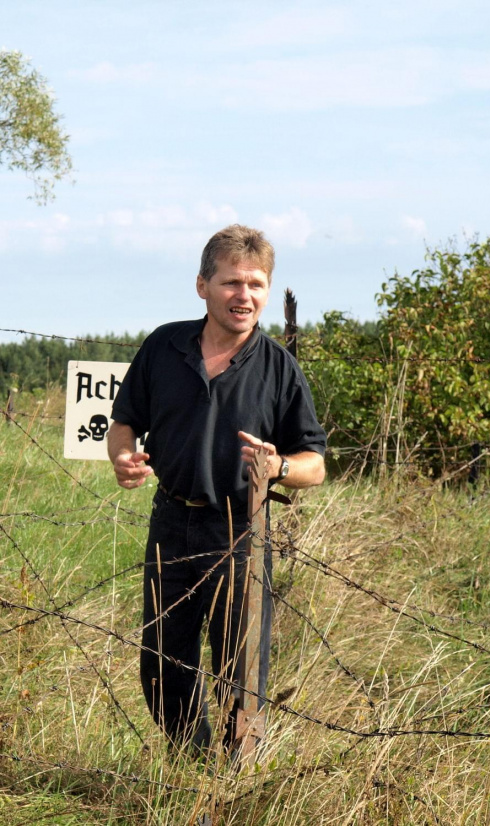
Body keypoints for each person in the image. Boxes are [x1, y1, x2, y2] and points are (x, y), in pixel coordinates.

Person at [107, 224, 326, 753]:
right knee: (162, 670)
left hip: (239, 534)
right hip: (170, 525)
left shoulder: (279, 368)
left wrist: (278, 468)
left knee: (240, 674)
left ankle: (229, 785)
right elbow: (123, 422)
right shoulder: (163, 346)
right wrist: (122, 458)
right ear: (202, 285)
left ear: (267, 290)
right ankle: (195, 764)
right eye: (231, 282)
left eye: (255, 284)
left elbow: (315, 464)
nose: (243, 296)